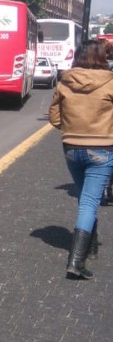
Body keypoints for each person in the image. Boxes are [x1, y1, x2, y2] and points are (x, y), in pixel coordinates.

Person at [49, 40, 113, 279]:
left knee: (86, 196)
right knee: (89, 201)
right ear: (101, 58)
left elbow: (54, 116)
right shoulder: (110, 82)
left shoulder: (66, 81)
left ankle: (91, 245)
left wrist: (71, 128)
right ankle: (76, 261)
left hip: (71, 147)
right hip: (102, 149)